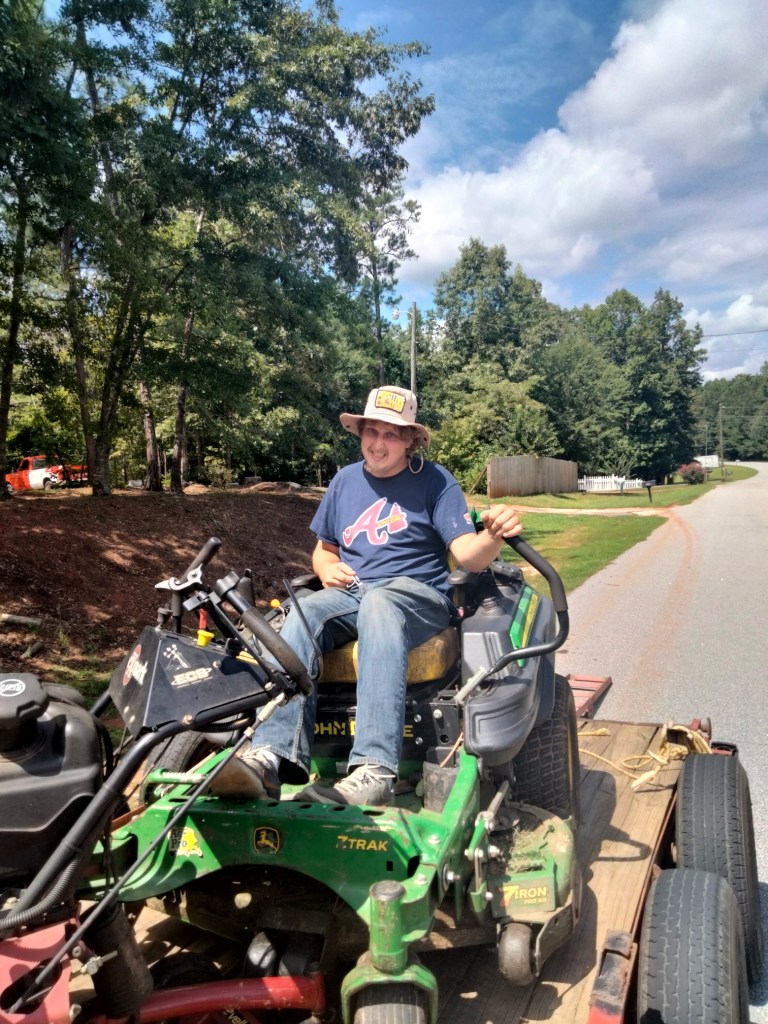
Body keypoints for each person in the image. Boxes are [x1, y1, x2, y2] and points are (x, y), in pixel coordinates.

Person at [232, 385, 522, 806]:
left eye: (391, 434)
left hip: (418, 596)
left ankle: (374, 769)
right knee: (303, 610)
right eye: (372, 431)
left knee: (380, 604)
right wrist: (326, 568)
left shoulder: (436, 482)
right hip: (353, 593)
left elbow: (467, 557)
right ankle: (270, 756)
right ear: (361, 433)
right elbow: (324, 548)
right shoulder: (344, 481)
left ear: (409, 441)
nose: (378, 443)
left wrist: (493, 535)